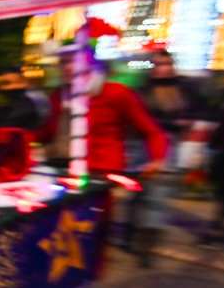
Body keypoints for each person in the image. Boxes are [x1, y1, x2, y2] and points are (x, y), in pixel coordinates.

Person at [53, 48, 169, 266]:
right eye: (63, 61)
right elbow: (45, 132)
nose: (68, 67)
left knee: (93, 240)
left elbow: (152, 132)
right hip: (63, 176)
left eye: (73, 61)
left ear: (90, 65)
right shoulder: (60, 96)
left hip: (101, 179)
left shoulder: (116, 93)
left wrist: (156, 159)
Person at [199, 87, 224, 247]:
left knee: (223, 196)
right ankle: (219, 231)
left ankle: (216, 232)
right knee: (223, 196)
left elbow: (219, 136)